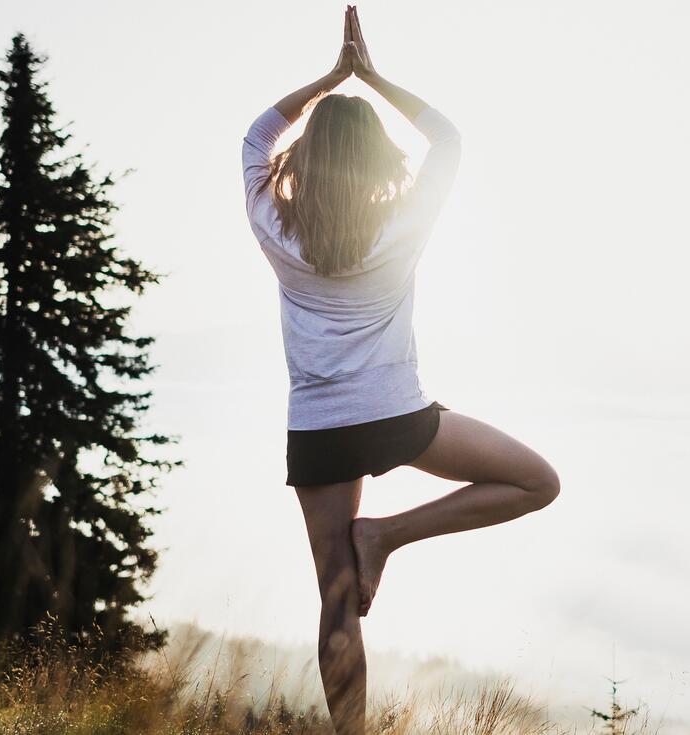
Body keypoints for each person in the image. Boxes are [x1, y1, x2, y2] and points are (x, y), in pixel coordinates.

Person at [239, 6, 561, 731]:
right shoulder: (401, 222)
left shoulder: (274, 224)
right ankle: (388, 533)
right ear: (379, 159)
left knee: (333, 598)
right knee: (538, 481)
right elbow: (445, 138)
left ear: (309, 155)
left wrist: (329, 80)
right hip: (396, 415)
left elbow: (257, 137)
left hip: (317, 429)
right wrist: (371, 78)